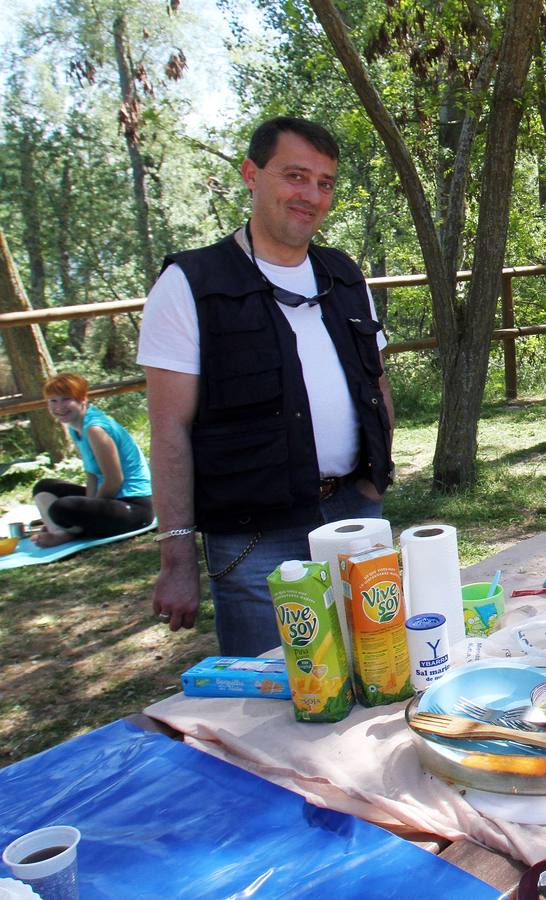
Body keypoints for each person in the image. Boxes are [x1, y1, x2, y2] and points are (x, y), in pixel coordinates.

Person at [137, 116, 394, 656]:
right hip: (255, 537)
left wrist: (376, 479)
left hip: (355, 511)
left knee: (376, 669)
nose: (312, 195)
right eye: (296, 176)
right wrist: (177, 558)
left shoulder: (343, 275)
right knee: (272, 698)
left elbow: (377, 381)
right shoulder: (192, 284)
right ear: (251, 174)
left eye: (325, 183)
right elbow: (168, 429)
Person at [30, 373, 153, 547]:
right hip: (110, 501)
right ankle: (62, 531)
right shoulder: (76, 427)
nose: (59, 407)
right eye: (53, 401)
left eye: (66, 399)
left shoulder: (95, 429)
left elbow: (114, 480)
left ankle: (67, 530)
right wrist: (86, 508)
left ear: (82, 400)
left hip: (135, 508)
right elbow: (92, 476)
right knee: (44, 487)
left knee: (60, 508)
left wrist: (88, 507)